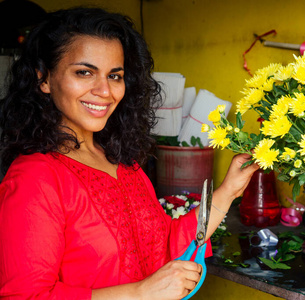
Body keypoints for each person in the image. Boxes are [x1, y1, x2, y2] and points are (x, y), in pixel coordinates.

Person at [0, 7, 259, 300]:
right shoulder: (35, 177)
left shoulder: (124, 163)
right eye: (84, 72)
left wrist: (228, 192)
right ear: (44, 79)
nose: (104, 90)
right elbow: (25, 296)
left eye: (115, 76)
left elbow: (168, 244)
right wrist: (140, 293)